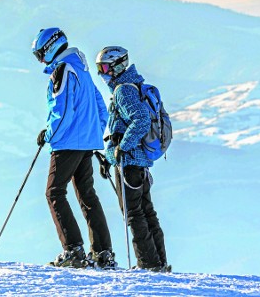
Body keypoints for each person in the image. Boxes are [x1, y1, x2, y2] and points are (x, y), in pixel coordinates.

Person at [31, 27, 116, 269]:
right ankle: (103, 253)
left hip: (67, 143)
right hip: (85, 142)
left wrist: (49, 134)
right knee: (87, 195)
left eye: (39, 55)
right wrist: (93, 134)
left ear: (50, 48)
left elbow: (62, 110)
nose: (40, 60)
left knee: (54, 193)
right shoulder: (81, 68)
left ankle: (74, 251)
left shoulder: (63, 70)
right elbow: (101, 107)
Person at [95, 46, 170, 272]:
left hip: (129, 163)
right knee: (147, 211)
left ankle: (148, 264)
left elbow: (140, 122)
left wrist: (120, 150)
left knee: (134, 214)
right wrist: (109, 158)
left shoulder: (123, 91)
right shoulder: (133, 85)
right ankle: (159, 262)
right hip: (140, 164)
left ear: (117, 66)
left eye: (105, 67)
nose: (102, 73)